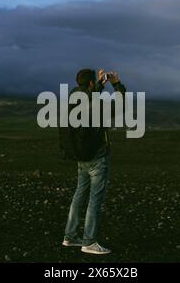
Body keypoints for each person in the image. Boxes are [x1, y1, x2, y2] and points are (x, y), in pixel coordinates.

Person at [61, 68, 126, 255]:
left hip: (81, 157)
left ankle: (70, 236)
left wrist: (99, 85)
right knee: (94, 200)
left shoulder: (73, 100)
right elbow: (120, 105)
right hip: (97, 157)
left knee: (79, 195)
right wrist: (116, 84)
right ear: (90, 84)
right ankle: (89, 242)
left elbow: (88, 97)